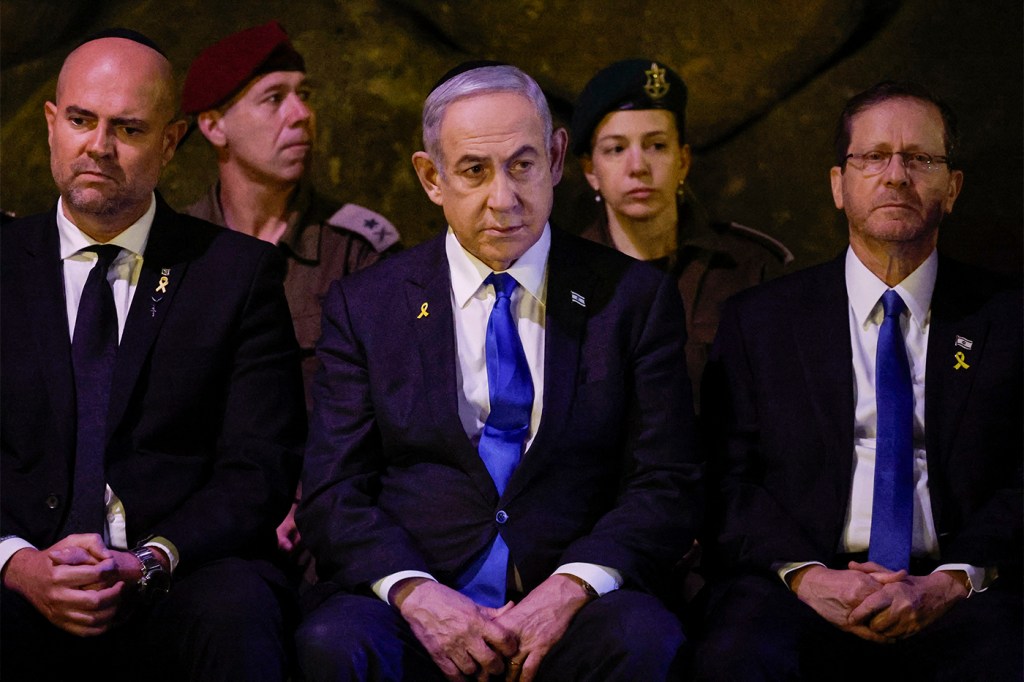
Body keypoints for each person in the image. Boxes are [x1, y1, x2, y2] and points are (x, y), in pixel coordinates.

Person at [294, 62, 700, 681]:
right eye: (474, 171)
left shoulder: (631, 299)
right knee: (333, 641)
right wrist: (416, 594)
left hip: (570, 600)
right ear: (431, 177)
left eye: (523, 164)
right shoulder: (368, 305)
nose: (503, 198)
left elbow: (665, 481)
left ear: (558, 159)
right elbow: (333, 492)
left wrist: (570, 588)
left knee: (645, 638)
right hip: (418, 598)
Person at [0, 30, 306, 680]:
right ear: (52, 124)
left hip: (181, 570)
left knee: (238, 611)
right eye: (81, 120)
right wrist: (21, 563)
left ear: (170, 142)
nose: (99, 147)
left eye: (128, 129)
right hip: (15, 567)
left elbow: (258, 467)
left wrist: (151, 559)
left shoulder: (237, 275)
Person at [696, 81, 1022, 680]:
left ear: (952, 188)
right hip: (796, 586)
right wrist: (808, 576)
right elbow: (723, 479)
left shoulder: (1009, 320)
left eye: (920, 159)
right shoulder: (760, 320)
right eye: (873, 157)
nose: (896, 175)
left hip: (966, 588)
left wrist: (952, 583)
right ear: (837, 186)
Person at [180, 21, 400, 572]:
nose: (300, 114)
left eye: (304, 95)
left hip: (328, 518)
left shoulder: (360, 251)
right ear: (213, 126)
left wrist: (308, 497)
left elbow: (390, 412)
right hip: (201, 521)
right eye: (273, 99)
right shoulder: (176, 253)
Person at [570, 58, 792, 410]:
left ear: (683, 161)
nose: (638, 166)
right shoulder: (564, 276)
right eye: (616, 149)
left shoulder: (748, 270)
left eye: (656, 145)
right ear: (591, 171)